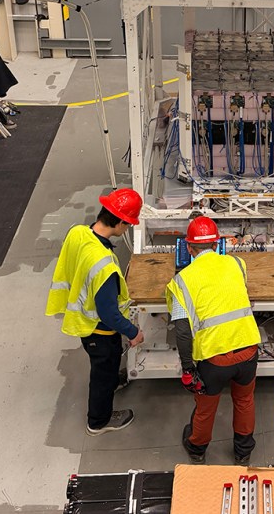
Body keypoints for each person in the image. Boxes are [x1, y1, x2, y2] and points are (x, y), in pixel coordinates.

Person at [45, 188, 145, 436]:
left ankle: (113, 381)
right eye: (129, 224)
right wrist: (133, 332)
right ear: (120, 222)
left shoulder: (79, 233)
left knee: (106, 369)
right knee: (103, 371)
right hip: (99, 331)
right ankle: (98, 421)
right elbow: (109, 314)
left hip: (83, 322)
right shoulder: (104, 266)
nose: (128, 229)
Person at [167, 216, 260, 465]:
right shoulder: (237, 264)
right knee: (244, 400)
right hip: (248, 349)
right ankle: (243, 452)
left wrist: (188, 369)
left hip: (214, 358)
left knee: (206, 406)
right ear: (217, 243)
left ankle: (197, 447)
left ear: (189, 247)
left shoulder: (182, 281)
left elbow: (183, 332)